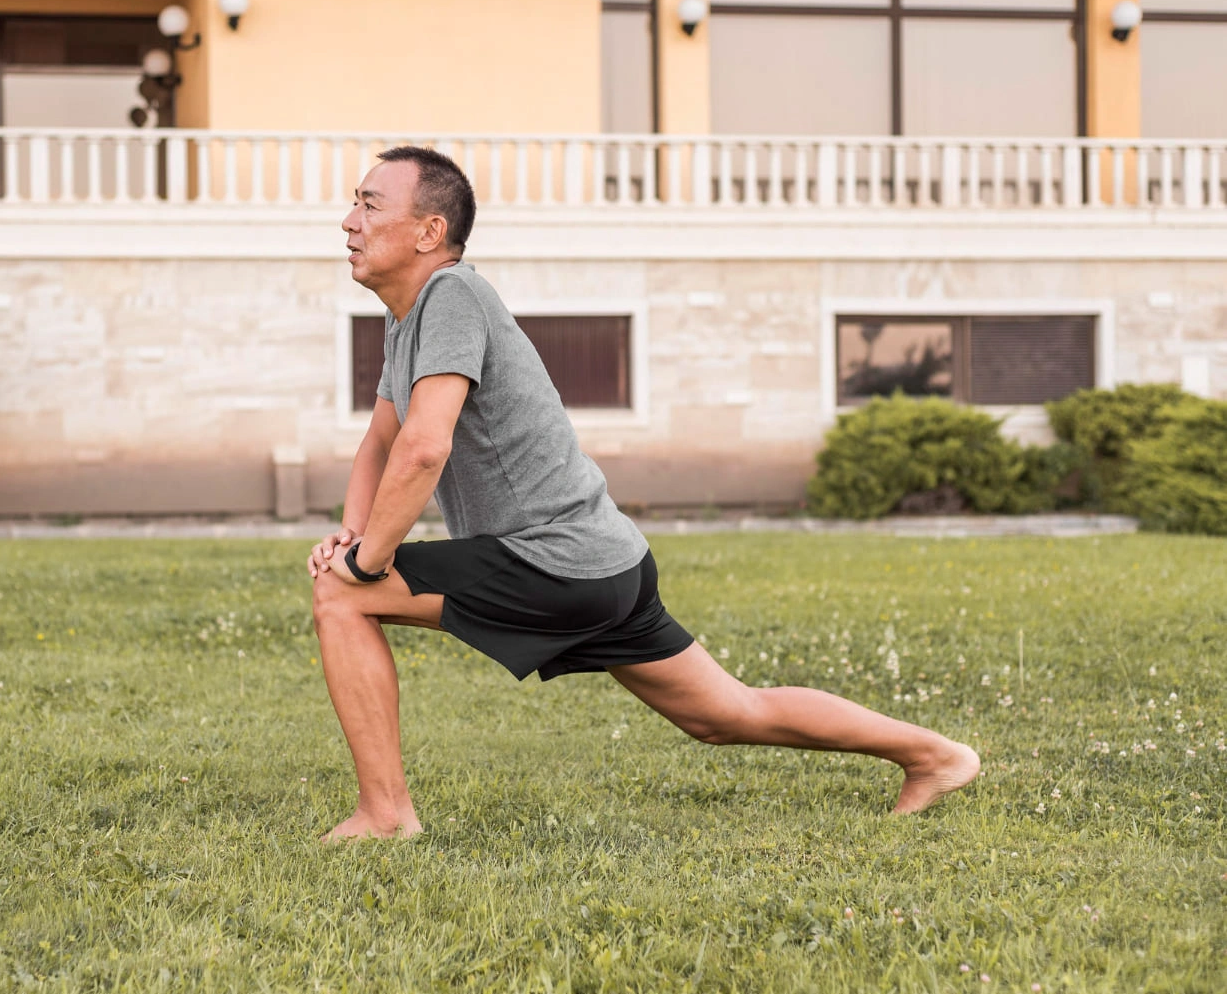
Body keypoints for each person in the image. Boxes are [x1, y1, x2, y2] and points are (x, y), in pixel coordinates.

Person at [307, 146, 980, 842]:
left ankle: (385, 816)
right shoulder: (406, 314)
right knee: (726, 713)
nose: (349, 221)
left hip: (554, 560)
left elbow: (424, 447)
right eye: (355, 202)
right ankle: (935, 756)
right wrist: (355, 536)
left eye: (369, 204)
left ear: (429, 232)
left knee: (341, 594)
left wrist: (363, 565)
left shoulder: (451, 295)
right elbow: (382, 442)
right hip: (607, 563)